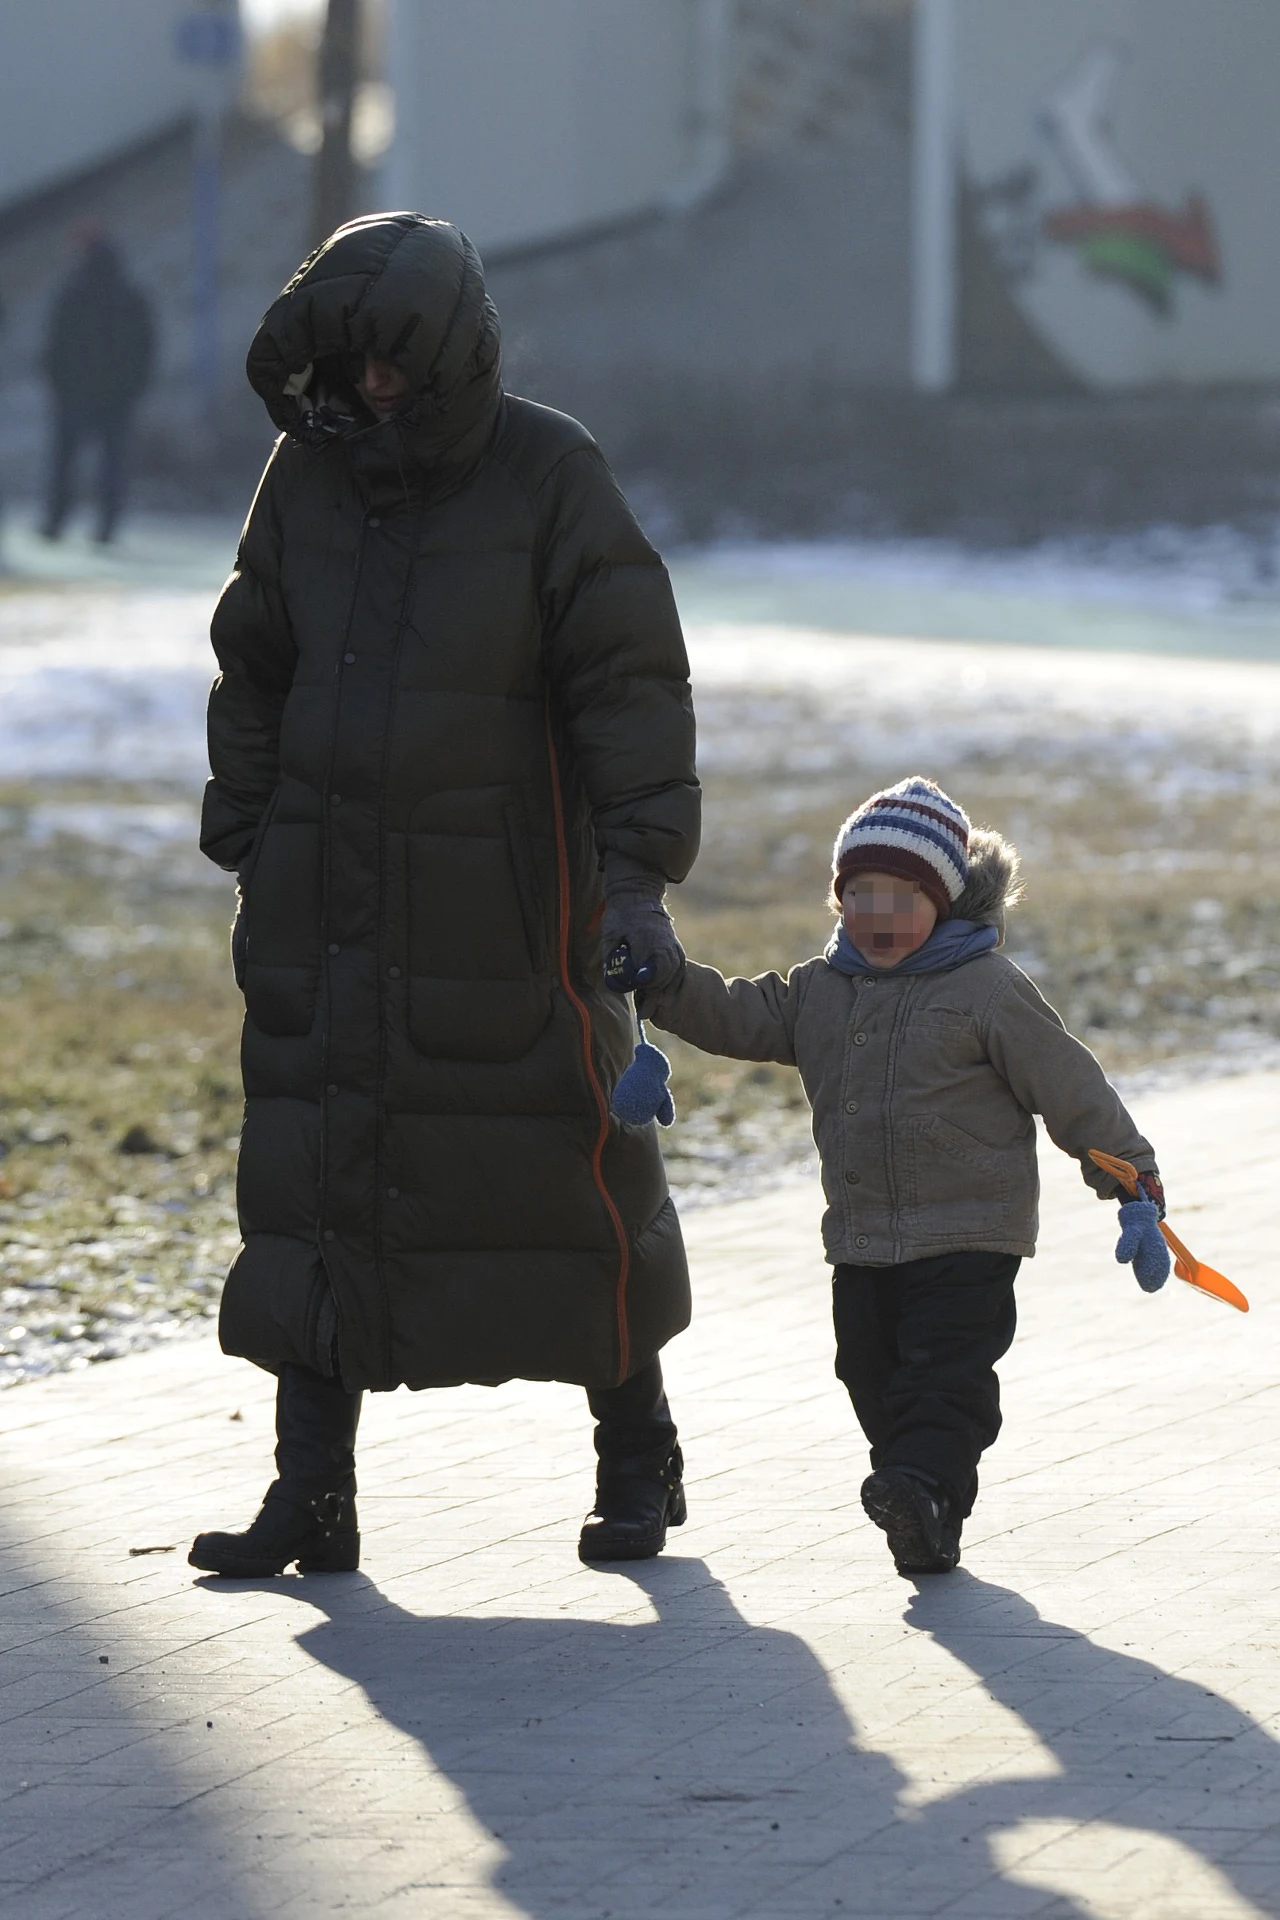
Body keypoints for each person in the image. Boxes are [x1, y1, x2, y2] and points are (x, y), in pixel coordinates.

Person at [189, 213, 700, 1578]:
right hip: (327, 896)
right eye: (346, 365)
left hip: (509, 907)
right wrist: (252, 830)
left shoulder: (549, 472)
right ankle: (313, 1492)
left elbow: (629, 685)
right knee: (319, 1177)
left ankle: (638, 1455)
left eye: (390, 364)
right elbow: (256, 658)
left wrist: (637, 875)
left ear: (449, 353)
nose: (369, 392)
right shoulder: (304, 478)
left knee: (567, 1177)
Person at [638, 775, 1169, 1577]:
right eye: (860, 897)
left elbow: (1071, 1087)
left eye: (901, 899)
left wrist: (1133, 1182)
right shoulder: (820, 990)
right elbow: (736, 1015)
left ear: (943, 903)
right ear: (838, 902)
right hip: (863, 1240)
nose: (878, 917)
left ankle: (921, 1482)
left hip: (968, 1235)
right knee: (869, 1370)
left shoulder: (986, 990)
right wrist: (664, 981)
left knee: (945, 1375)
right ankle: (922, 1506)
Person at [40, 227, 156, 545]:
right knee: (112, 465)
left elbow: (55, 346)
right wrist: (135, 387)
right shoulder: (130, 296)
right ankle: (107, 526)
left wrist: (57, 384)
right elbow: (145, 347)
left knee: (65, 463)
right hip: (116, 396)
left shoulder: (72, 294)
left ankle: (56, 522)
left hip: (75, 394)